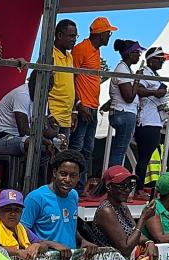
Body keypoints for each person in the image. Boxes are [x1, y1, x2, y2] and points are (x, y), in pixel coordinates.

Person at [68, 17, 118, 192]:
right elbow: (70, 77)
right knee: (77, 147)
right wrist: (79, 105)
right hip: (84, 107)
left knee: (87, 149)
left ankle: (79, 187)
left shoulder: (95, 51)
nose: (109, 36)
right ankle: (72, 186)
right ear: (100, 34)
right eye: (108, 33)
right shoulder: (81, 49)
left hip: (92, 106)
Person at [21, 151, 101, 260]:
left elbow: (69, 228)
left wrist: (83, 241)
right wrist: (51, 244)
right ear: (55, 172)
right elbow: (21, 230)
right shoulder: (36, 197)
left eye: (73, 176)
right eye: (63, 174)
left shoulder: (73, 195)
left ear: (79, 177)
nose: (68, 180)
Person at [133, 47, 169, 196]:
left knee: (145, 156)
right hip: (147, 120)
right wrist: (155, 92)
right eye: (160, 59)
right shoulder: (145, 73)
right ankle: (139, 189)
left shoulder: (153, 74)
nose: (162, 62)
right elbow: (138, 89)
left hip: (154, 120)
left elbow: (158, 97)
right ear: (151, 59)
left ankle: (139, 187)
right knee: (144, 157)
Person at [0, 74, 56, 162]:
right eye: (46, 87)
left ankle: (36, 175)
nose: (47, 91)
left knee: (50, 148)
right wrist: (46, 142)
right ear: (36, 83)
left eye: (50, 88)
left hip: (17, 138)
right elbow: (24, 131)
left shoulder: (42, 97)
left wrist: (58, 138)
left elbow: (45, 128)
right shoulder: (22, 94)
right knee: (34, 144)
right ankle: (25, 175)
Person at [0, 189, 49, 260]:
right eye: (8, 210)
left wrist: (36, 246)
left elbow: (44, 245)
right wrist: (17, 252)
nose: (13, 214)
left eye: (17, 210)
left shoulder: (21, 228)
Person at [106, 40, 143, 170]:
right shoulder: (122, 70)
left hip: (121, 112)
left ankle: (112, 178)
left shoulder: (124, 69)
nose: (139, 55)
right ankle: (113, 179)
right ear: (130, 54)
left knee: (119, 149)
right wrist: (137, 79)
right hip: (124, 112)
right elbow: (129, 97)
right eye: (137, 53)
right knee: (119, 151)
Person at [48, 20, 78, 143]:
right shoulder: (49, 55)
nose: (74, 39)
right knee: (49, 155)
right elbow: (41, 88)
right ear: (59, 35)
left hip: (66, 117)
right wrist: (47, 114)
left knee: (62, 156)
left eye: (76, 36)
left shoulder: (69, 56)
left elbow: (70, 85)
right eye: (71, 36)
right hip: (53, 117)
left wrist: (74, 110)